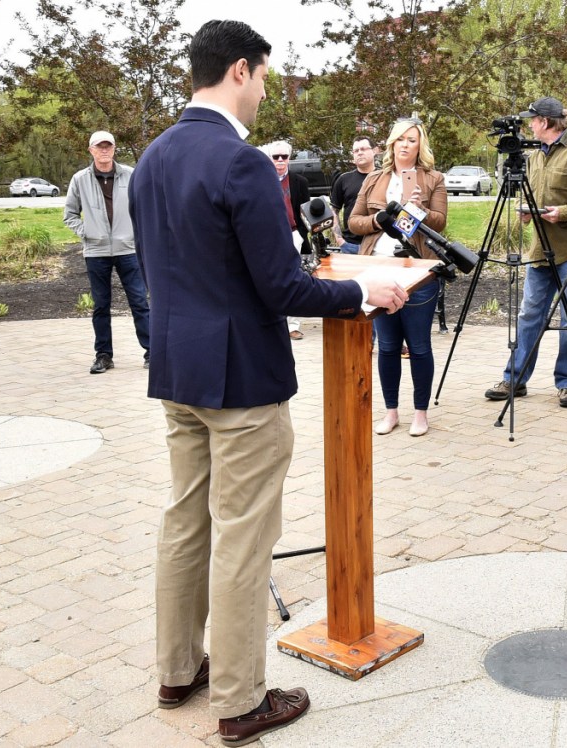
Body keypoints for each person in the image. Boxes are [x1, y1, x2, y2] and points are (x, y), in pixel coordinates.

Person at [128, 20, 407, 746]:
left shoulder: (152, 158)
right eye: (262, 79)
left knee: (184, 523)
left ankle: (176, 669)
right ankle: (241, 700)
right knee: (244, 540)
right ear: (242, 71)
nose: (261, 95)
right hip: (242, 381)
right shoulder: (240, 161)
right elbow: (283, 287)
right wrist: (362, 294)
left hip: (176, 368)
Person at [483, 97, 567, 409]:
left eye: (533, 119)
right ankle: (515, 379)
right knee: (529, 314)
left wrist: (563, 213)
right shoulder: (533, 157)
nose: (529, 124)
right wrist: (528, 211)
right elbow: (533, 195)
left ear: (546, 121)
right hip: (539, 249)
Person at [348, 118, 448, 437]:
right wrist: (378, 219)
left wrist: (418, 210)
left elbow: (441, 222)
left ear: (421, 146)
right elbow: (353, 222)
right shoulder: (375, 179)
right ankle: (391, 411)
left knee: (418, 346)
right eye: (400, 139)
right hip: (378, 271)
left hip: (416, 272)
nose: (405, 144)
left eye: (412, 140)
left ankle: (420, 413)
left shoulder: (433, 179)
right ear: (391, 143)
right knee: (388, 345)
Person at [63, 130, 150, 374]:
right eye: (99, 146)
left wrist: (138, 234)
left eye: (108, 146)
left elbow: (144, 207)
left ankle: (152, 351)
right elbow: (69, 214)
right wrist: (87, 232)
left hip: (128, 249)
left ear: (114, 149)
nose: (104, 150)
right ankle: (103, 355)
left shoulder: (131, 175)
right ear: (91, 150)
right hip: (96, 251)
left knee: (139, 302)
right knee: (101, 305)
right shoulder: (80, 179)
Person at [262, 140, 310, 340]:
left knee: (295, 277)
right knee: (270, 277)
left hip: (293, 234)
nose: (280, 160)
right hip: (269, 235)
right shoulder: (261, 180)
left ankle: (293, 325)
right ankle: (272, 322)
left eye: (284, 156)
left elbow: (306, 212)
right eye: (276, 157)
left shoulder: (300, 182)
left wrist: (305, 235)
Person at [331, 136, 376, 254]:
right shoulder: (343, 179)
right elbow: (334, 210)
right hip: (350, 245)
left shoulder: (384, 177)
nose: (359, 153)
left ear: (375, 151)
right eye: (356, 151)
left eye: (363, 149)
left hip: (378, 245)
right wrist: (340, 240)